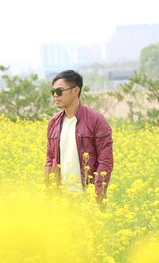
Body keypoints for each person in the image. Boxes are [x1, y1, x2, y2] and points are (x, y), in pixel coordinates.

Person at [45, 70, 113, 202]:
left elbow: (105, 161)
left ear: (75, 90)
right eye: (53, 92)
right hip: (61, 198)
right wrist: (49, 189)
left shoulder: (96, 121)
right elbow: (50, 158)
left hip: (87, 197)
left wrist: (97, 194)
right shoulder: (53, 123)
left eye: (59, 91)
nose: (55, 96)